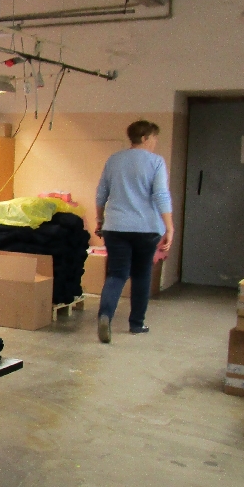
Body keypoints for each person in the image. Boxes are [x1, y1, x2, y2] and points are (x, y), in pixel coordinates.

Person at [94, 121, 174, 343]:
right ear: (146, 137)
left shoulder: (114, 160)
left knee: (116, 274)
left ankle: (105, 315)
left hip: (115, 227)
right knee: (141, 274)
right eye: (154, 138)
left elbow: (101, 193)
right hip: (146, 229)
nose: (155, 142)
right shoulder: (156, 162)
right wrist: (169, 226)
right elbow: (161, 195)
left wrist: (100, 219)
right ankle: (136, 324)